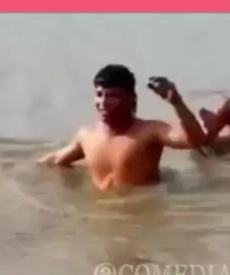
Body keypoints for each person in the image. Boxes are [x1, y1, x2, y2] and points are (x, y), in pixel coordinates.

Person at [37, 64, 207, 190]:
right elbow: (56, 161)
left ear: (131, 99)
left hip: (141, 218)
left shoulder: (150, 132)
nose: (103, 102)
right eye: (99, 95)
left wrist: (176, 102)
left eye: (112, 96)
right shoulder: (87, 136)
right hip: (101, 217)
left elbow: (195, 140)